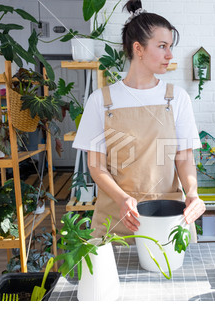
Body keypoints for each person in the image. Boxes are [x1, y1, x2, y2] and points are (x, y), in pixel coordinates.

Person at [73, 0, 205, 241]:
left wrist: (193, 192)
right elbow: (96, 166)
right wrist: (123, 199)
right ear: (138, 48)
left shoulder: (177, 98)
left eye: (170, 46)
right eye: (162, 46)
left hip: (169, 219)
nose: (170, 55)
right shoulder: (101, 100)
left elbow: (184, 158)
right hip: (117, 218)